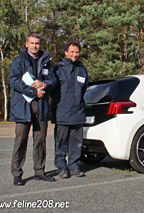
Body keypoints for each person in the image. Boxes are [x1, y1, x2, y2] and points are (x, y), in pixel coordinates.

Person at [9, 33, 57, 186]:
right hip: (23, 105)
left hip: (41, 106)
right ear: (26, 44)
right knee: (21, 140)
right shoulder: (18, 61)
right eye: (32, 43)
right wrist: (32, 91)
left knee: (40, 141)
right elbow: (14, 81)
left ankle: (39, 170)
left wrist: (44, 85)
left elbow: (54, 80)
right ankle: (17, 173)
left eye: (37, 43)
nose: (35, 46)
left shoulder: (46, 62)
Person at [52, 41, 88, 178]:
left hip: (78, 111)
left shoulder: (82, 69)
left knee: (76, 142)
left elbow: (83, 88)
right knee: (61, 141)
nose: (75, 54)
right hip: (62, 112)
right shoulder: (58, 68)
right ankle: (61, 167)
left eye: (77, 52)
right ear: (66, 52)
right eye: (72, 52)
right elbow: (52, 89)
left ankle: (74, 165)